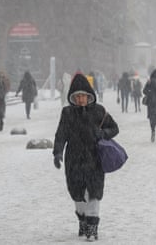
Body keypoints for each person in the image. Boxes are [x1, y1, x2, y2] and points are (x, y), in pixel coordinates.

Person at [52, 74, 119, 241]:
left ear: (89, 96)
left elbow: (114, 128)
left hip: (94, 159)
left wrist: (103, 133)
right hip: (73, 160)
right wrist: (57, 152)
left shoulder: (99, 111)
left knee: (94, 193)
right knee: (77, 193)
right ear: (73, 97)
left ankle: (92, 226)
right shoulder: (67, 113)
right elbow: (61, 134)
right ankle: (82, 219)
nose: (81, 99)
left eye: (83, 95)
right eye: (77, 96)